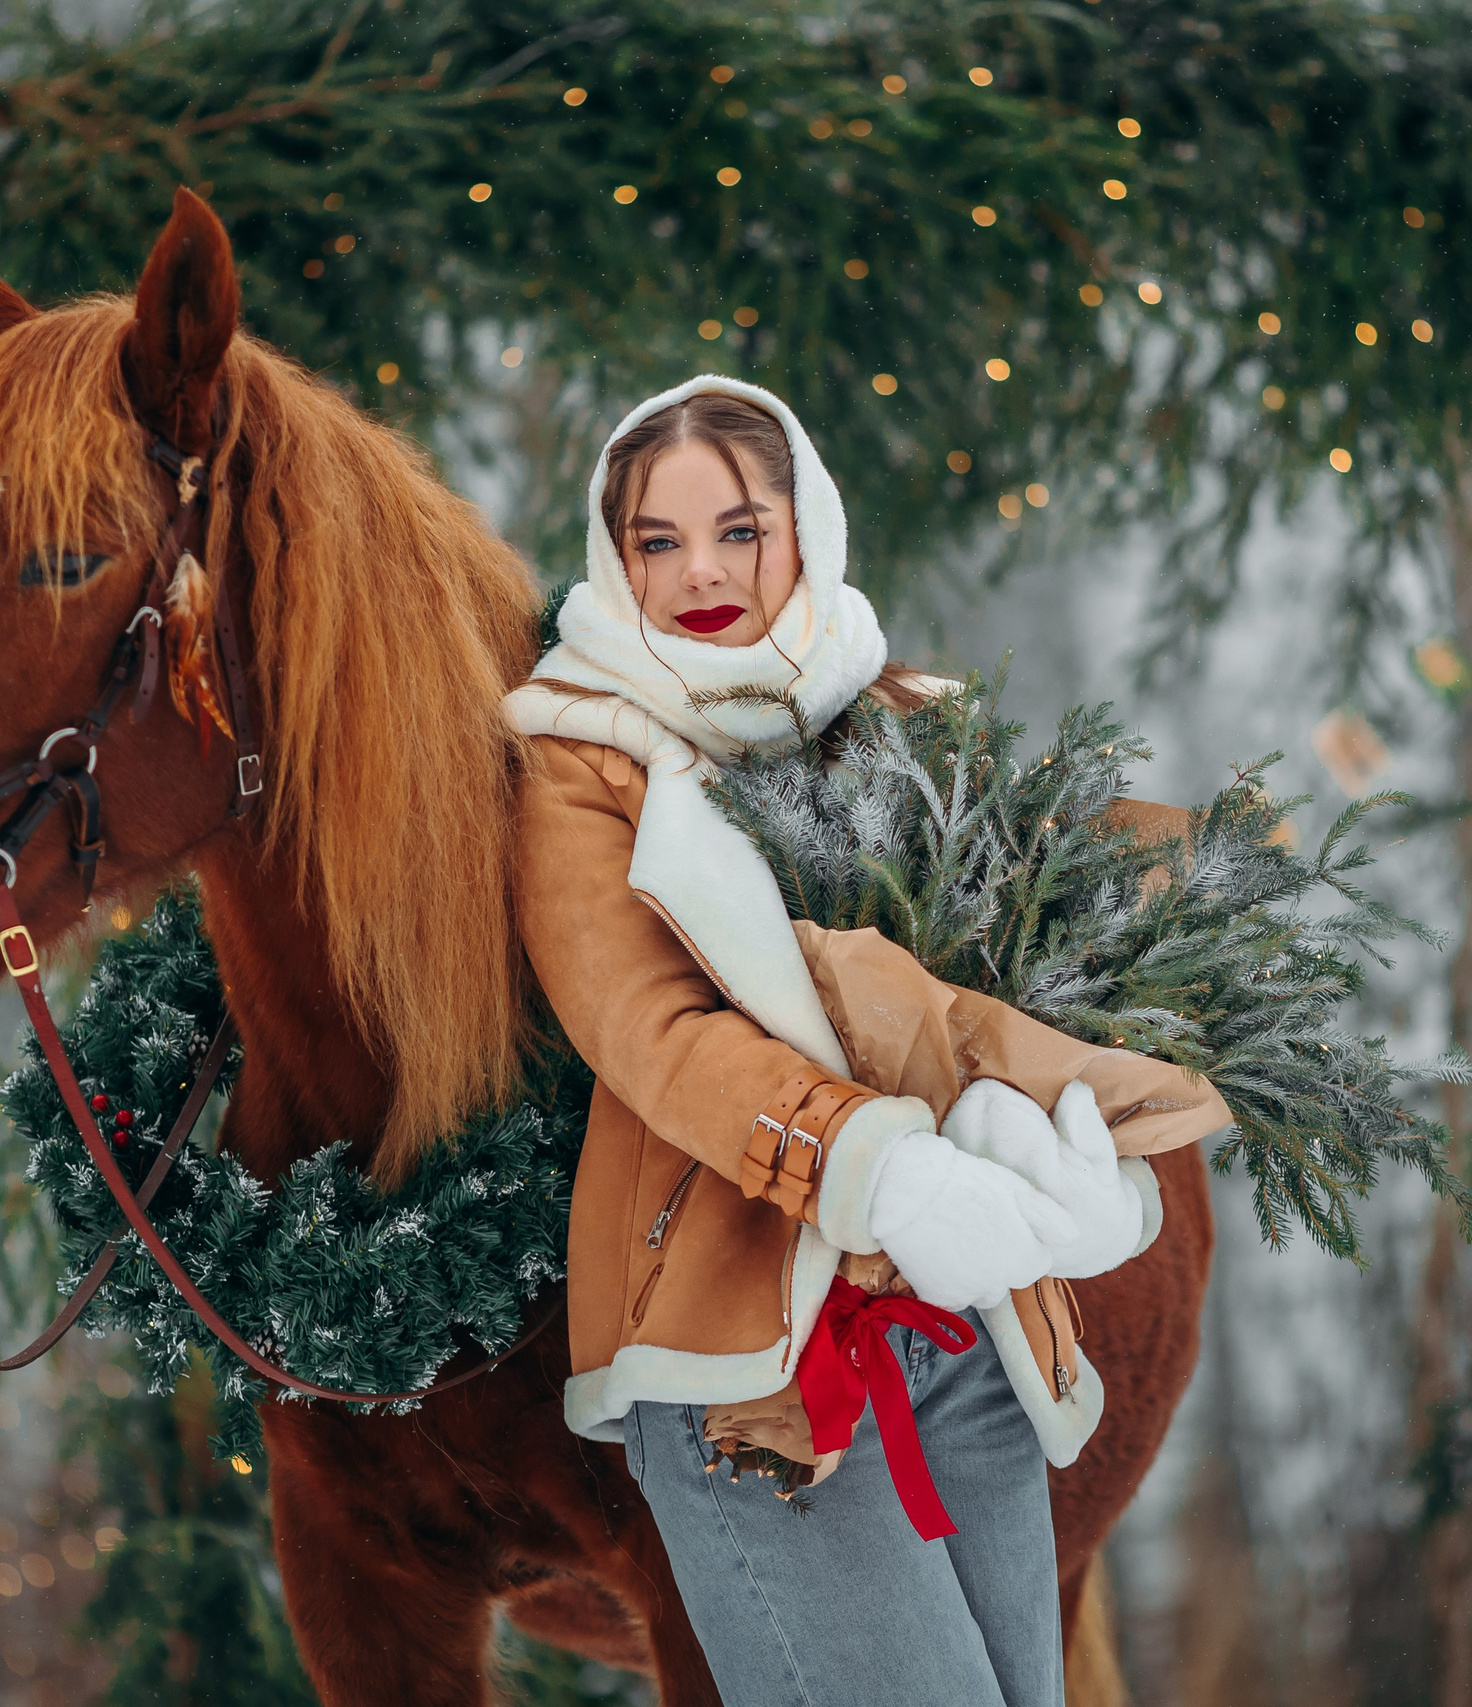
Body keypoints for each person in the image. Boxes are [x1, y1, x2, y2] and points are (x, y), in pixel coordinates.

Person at [507, 377, 1195, 1706]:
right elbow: (652, 1033)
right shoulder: (580, 758)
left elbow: (1022, 982)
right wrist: (880, 1167)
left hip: (973, 1342)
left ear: (803, 529)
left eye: (738, 530)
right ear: (616, 556)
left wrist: (1069, 1150)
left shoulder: (912, 722)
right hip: (753, 1369)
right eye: (658, 540)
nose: (701, 571)